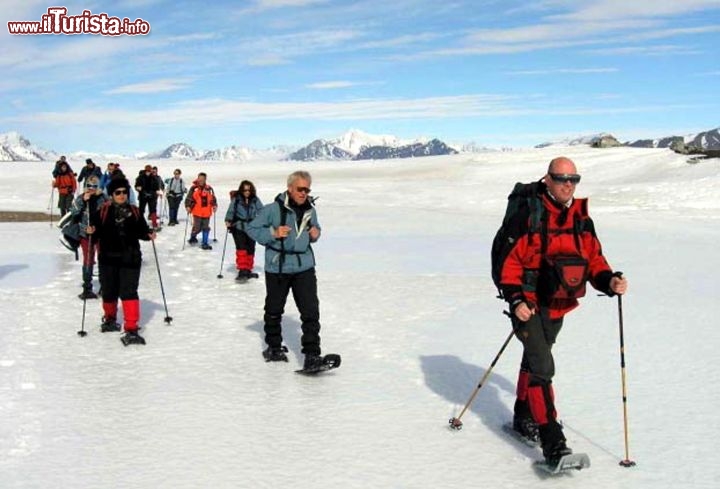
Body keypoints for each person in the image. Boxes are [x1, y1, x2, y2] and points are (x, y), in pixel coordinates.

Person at [498, 156, 628, 466]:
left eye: (573, 179)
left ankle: (522, 414)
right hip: (527, 305)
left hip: (559, 304)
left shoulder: (581, 219)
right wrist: (516, 299)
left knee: (535, 359)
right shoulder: (529, 215)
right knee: (543, 367)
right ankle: (553, 441)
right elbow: (509, 263)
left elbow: (594, 259)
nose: (568, 184)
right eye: (561, 178)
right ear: (548, 179)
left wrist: (609, 281)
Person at [246, 170, 324, 369]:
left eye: (307, 189)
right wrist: (273, 232)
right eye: (300, 189)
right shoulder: (273, 209)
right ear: (290, 188)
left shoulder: (310, 210)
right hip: (278, 267)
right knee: (274, 309)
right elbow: (252, 229)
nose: (304, 193)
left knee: (310, 311)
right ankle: (273, 346)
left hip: (304, 266)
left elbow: (315, 229)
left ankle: (312, 355)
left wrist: (316, 234)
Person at [87, 177, 155, 344]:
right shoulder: (102, 212)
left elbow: (142, 231)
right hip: (108, 259)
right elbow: (95, 234)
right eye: (118, 192)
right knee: (109, 290)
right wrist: (91, 232)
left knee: (129, 291)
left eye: (124, 192)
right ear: (111, 194)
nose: (122, 195)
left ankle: (131, 327)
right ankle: (110, 318)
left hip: (130, 258)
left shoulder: (135, 211)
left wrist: (148, 235)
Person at [69, 175, 109, 299]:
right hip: (85, 234)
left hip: (101, 234)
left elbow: (108, 215)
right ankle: (87, 287)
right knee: (88, 259)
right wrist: (82, 200)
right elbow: (74, 213)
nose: (91, 188)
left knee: (103, 259)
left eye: (94, 186)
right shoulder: (80, 198)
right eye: (89, 186)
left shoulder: (103, 198)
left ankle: (104, 286)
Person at [225, 180, 263, 281]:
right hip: (239, 226)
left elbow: (261, 210)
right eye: (245, 190)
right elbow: (231, 210)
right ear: (241, 190)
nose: (247, 192)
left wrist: (265, 220)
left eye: (249, 190)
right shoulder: (237, 199)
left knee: (251, 248)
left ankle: (248, 269)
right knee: (241, 248)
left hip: (252, 227)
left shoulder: (255, 200)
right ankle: (242, 269)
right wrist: (228, 220)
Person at [184, 172, 217, 250]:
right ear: (198, 178)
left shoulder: (209, 189)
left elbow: (213, 199)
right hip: (197, 212)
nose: (201, 180)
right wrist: (188, 206)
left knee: (205, 227)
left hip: (207, 212)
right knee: (197, 228)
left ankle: (205, 243)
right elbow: (188, 199)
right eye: (200, 179)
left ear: (205, 179)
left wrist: (214, 205)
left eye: (202, 179)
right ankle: (193, 237)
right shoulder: (194, 188)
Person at [134, 164, 161, 230]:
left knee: (153, 210)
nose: (148, 172)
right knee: (141, 210)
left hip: (152, 196)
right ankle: (140, 224)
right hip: (143, 196)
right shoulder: (140, 177)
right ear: (145, 170)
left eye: (149, 171)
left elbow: (157, 187)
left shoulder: (154, 178)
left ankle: (154, 224)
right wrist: (138, 189)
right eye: (147, 171)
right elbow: (136, 185)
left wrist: (157, 192)